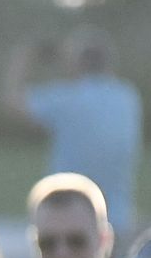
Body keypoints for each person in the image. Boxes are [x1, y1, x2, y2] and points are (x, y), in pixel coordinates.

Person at [8, 32, 142, 238]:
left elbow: (12, 101)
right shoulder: (128, 97)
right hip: (120, 219)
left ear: (78, 63)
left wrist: (22, 59)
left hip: (67, 222)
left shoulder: (66, 100)